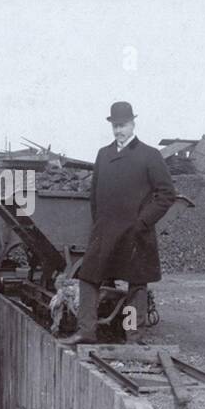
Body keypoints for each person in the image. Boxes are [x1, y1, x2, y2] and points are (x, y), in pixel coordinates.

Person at [60, 101, 176, 345]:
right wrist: (99, 224)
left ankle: (133, 335)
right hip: (105, 231)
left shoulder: (150, 155)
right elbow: (94, 196)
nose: (118, 131)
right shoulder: (104, 154)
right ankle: (86, 332)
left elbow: (166, 194)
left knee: (136, 285)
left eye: (122, 125)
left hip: (135, 233)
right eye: (115, 126)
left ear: (133, 124)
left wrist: (142, 222)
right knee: (88, 278)